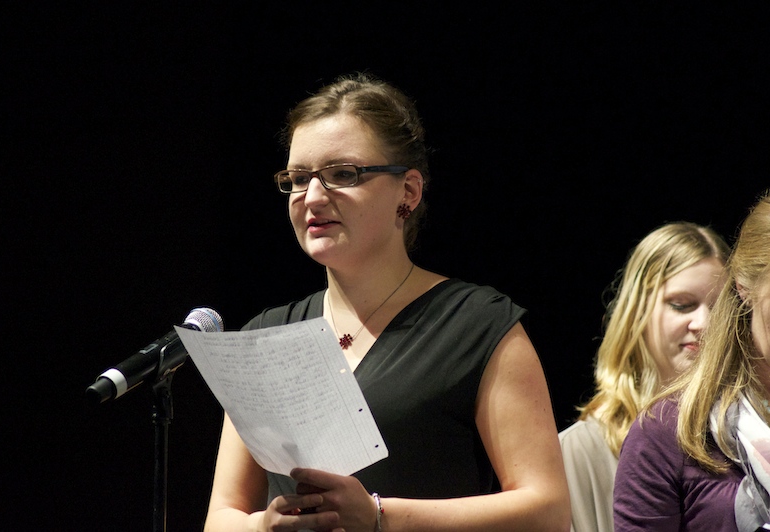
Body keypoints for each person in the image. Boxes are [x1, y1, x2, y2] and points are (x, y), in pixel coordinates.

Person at [203, 73, 570, 531]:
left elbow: (548, 511)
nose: (312, 197)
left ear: (408, 192)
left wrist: (379, 516)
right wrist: (262, 527)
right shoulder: (266, 336)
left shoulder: (477, 325)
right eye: (298, 179)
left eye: (342, 174)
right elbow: (222, 517)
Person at [614, 191, 770, 531]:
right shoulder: (664, 431)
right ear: (744, 287)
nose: (702, 323)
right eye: (682, 305)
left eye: (712, 306)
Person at [559, 222, 730, 531]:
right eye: (682, 305)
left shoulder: (740, 436)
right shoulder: (580, 450)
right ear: (637, 312)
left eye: (720, 309)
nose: (704, 323)